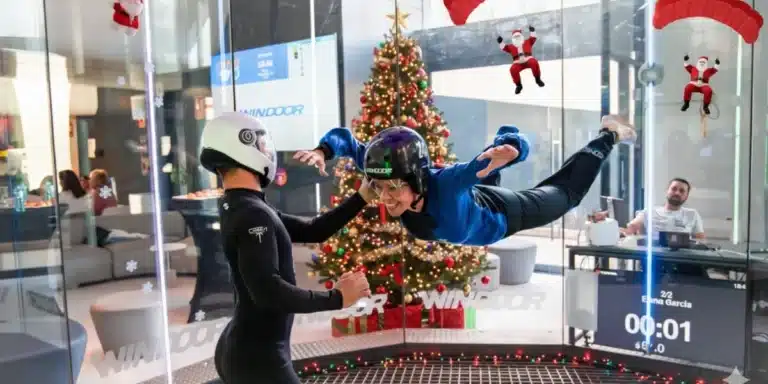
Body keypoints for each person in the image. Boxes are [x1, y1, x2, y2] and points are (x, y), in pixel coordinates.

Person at [199, 112, 374, 384]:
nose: (266, 151)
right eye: (260, 144)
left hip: (247, 349)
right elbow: (268, 292)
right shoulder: (251, 213)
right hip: (260, 359)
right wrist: (337, 298)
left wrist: (361, 197)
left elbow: (313, 230)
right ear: (243, 146)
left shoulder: (244, 205)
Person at [294, 115, 636, 246]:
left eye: (394, 187)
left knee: (566, 194)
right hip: (470, 203)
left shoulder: (445, 181)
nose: (384, 196)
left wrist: (514, 148)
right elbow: (346, 139)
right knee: (486, 169)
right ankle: (502, 140)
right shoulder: (384, 169)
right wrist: (323, 150)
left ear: (418, 180)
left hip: (501, 214)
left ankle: (608, 133)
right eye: (379, 187)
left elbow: (496, 159)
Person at [623, 177, 705, 239]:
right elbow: (631, 228)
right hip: (655, 257)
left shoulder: (692, 214)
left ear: (686, 196)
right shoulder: (649, 212)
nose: (677, 193)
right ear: (667, 191)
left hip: (682, 259)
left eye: (682, 191)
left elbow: (700, 241)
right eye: (674, 189)